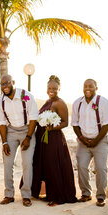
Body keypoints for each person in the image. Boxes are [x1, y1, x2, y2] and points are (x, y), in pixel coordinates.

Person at [31, 75, 77, 206]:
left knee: (53, 166)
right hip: (42, 138)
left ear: (59, 88)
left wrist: (52, 127)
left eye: (55, 88)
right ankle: (42, 192)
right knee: (43, 164)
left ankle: (57, 196)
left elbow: (65, 122)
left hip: (53, 139)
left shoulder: (60, 103)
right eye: (49, 88)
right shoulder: (48, 101)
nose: (52, 90)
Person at [0, 74, 38, 207]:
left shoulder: (27, 95)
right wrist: (4, 142)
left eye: (7, 83)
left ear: (13, 82)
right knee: (8, 162)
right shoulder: (0, 101)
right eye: (2, 85)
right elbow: (1, 123)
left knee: (27, 162)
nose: (4, 87)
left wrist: (28, 137)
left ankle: (26, 195)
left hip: (27, 130)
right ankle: (9, 194)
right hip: (11, 132)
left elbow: (33, 118)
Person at [72, 79, 108, 207]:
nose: (87, 88)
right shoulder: (77, 103)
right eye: (85, 86)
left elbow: (107, 124)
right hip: (83, 141)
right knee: (82, 166)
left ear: (96, 87)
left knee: (101, 168)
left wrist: (96, 141)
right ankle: (86, 193)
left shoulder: (104, 102)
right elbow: (74, 124)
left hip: (101, 140)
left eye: (90, 86)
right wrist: (82, 138)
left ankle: (101, 196)